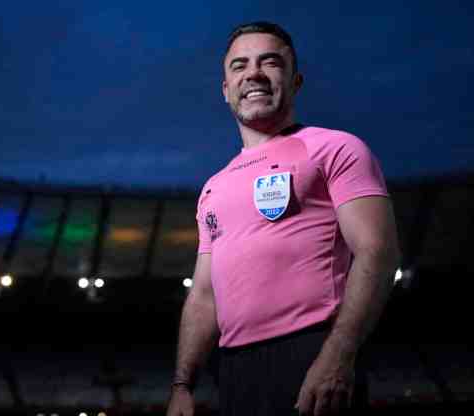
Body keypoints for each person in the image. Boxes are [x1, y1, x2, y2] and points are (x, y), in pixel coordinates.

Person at [166, 21, 400, 416]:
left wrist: (338, 354)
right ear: (226, 90)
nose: (253, 74)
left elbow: (378, 252)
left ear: (296, 81)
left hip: (312, 351)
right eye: (239, 66)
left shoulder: (336, 149)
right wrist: (182, 385)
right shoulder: (213, 187)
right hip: (234, 368)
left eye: (269, 62)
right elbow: (204, 293)